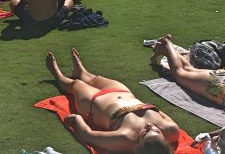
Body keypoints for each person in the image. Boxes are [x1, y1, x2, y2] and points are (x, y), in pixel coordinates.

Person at [46, 48, 178, 153]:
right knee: (93, 79)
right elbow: (161, 113)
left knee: (75, 84)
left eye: (145, 133)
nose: (150, 126)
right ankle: (81, 71)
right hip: (124, 93)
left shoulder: (124, 138)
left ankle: (57, 74)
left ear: (138, 145)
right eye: (156, 131)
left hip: (94, 103)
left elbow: (88, 135)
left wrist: (77, 119)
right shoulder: (171, 130)